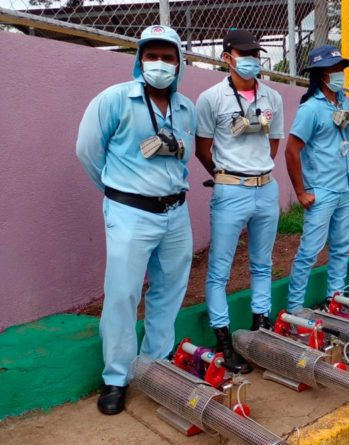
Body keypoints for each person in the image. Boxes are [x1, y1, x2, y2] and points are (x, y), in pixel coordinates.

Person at [76, 25, 196, 415]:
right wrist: (117, 194)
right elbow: (88, 152)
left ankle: (155, 364)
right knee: (123, 295)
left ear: (179, 63)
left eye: (168, 57)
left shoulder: (185, 108)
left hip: (176, 212)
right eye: (152, 56)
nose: (159, 64)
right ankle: (116, 377)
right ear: (139, 59)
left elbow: (182, 155)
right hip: (130, 212)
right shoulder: (113, 100)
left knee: (169, 290)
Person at [195, 30, 284, 374]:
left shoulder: (271, 97)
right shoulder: (211, 98)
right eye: (243, 53)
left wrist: (257, 168)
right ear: (227, 57)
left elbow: (272, 143)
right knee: (220, 270)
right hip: (231, 189)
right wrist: (224, 175)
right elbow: (203, 147)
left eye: (254, 53)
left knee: (262, 263)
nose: (251, 59)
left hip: (266, 187)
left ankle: (260, 329)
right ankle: (224, 341)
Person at [284, 45, 349, 312]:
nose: (339, 75)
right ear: (320, 74)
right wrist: (301, 192)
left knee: (341, 247)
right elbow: (292, 150)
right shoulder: (310, 109)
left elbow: (347, 140)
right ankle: (294, 308)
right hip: (322, 190)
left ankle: (334, 299)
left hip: (345, 187)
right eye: (334, 70)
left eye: (341, 69)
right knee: (309, 252)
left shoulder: (342, 102)